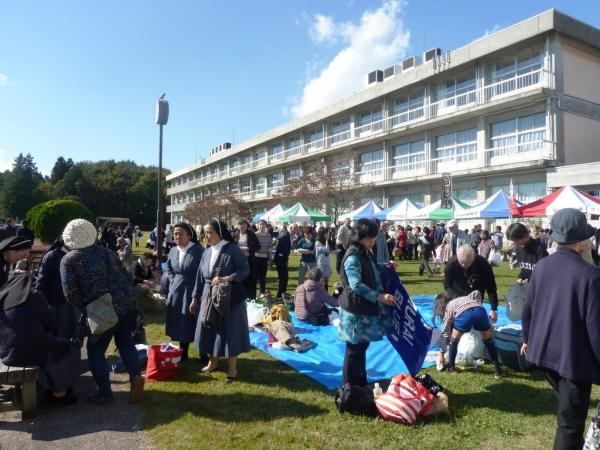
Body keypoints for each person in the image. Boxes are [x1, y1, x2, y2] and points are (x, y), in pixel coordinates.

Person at [521, 208, 600, 449]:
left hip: (544, 353)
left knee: (568, 413)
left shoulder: (543, 266)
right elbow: (596, 328)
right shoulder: (591, 276)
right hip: (572, 361)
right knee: (570, 424)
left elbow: (528, 310)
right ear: (582, 239)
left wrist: (528, 340)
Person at [60, 219, 144, 404]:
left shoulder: (69, 260)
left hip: (101, 310)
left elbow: (70, 293)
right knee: (126, 344)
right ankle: (136, 377)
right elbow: (125, 277)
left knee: (96, 351)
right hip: (125, 304)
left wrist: (87, 310)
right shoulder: (107, 252)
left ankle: (104, 392)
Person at [190, 219, 250, 383]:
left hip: (227, 297)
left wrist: (227, 278)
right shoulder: (206, 252)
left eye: (210, 232)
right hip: (208, 296)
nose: (206, 236)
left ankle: (232, 369)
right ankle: (213, 362)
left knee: (229, 332)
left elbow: (245, 269)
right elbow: (200, 277)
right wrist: (195, 298)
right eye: (205, 232)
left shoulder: (232, 249)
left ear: (220, 233)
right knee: (209, 329)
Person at [338, 218, 395, 386]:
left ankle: (360, 383)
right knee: (354, 351)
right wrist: (379, 296)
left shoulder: (364, 251)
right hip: (355, 313)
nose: (373, 241)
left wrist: (386, 266)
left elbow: (371, 267)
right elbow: (355, 285)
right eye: (371, 237)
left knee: (361, 349)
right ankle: (350, 387)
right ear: (361, 236)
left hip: (363, 310)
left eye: (374, 237)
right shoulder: (353, 256)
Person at [37, 237, 81, 406]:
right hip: (56, 309)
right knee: (58, 348)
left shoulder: (77, 255)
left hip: (73, 308)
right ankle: (56, 391)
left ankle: (66, 384)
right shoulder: (52, 256)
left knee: (72, 346)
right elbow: (41, 285)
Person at [434, 291, 503, 378]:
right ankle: (498, 371)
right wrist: (477, 303)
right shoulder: (465, 298)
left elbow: (446, 332)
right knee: (488, 341)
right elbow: (477, 292)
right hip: (480, 311)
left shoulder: (449, 307)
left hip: (465, 315)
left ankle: (451, 368)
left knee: (453, 341)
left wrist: (441, 353)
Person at [165, 222, 204, 361]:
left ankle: (203, 353)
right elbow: (168, 268)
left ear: (189, 235)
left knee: (195, 321)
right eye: (175, 234)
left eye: (180, 233)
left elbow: (203, 272)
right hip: (177, 291)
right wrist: (173, 280)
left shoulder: (198, 250)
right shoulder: (173, 250)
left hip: (193, 290)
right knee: (182, 321)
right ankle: (183, 353)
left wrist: (197, 293)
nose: (177, 236)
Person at [444, 244, 499, 322]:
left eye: (467, 263)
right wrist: (456, 299)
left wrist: (494, 309)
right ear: (458, 257)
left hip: (476, 297)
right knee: (458, 323)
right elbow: (447, 285)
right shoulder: (451, 264)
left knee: (474, 323)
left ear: (473, 258)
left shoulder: (483, 264)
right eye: (462, 263)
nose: (464, 266)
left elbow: (491, 287)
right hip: (457, 297)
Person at [236, 220, 260, 300]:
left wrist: (249, 249)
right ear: (238, 226)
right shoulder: (235, 235)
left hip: (250, 260)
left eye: (244, 224)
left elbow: (258, 246)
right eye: (240, 224)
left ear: (246, 225)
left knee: (251, 280)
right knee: (241, 280)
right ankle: (242, 298)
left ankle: (252, 298)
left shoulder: (251, 234)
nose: (242, 226)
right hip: (238, 262)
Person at [273, 224, 291, 298]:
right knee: (284, 278)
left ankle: (281, 294)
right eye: (295, 229)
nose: (296, 231)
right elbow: (280, 239)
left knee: (283, 279)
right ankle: (281, 295)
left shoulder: (284, 234)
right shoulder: (285, 234)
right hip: (281, 259)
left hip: (282, 259)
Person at [255, 220, 272, 295]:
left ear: (265, 226)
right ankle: (252, 294)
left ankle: (262, 294)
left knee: (262, 277)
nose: (261, 226)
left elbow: (269, 248)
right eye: (260, 224)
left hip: (264, 258)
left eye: (263, 224)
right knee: (254, 277)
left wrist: (270, 259)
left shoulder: (268, 236)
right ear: (258, 225)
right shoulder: (254, 235)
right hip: (255, 258)